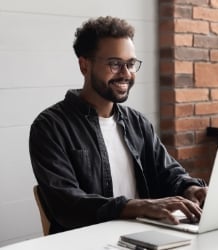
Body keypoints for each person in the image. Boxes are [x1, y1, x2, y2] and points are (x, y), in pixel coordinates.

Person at [29, 16, 207, 234]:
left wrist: (191, 188)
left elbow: (168, 172)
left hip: (145, 236)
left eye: (131, 64)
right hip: (87, 241)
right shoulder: (50, 126)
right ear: (84, 65)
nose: (126, 73)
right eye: (114, 64)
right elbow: (67, 204)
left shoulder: (138, 123)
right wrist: (138, 206)